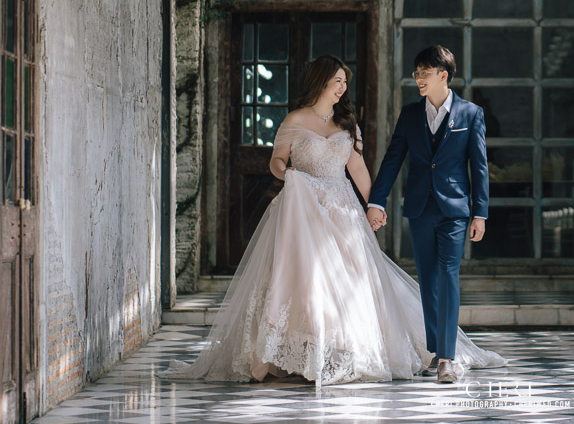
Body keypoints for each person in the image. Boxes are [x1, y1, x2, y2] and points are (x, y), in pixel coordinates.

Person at [164, 55, 504, 385]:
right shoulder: (295, 121)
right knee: (304, 279)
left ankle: (345, 352)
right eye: (337, 81)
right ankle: (298, 354)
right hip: (303, 208)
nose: (342, 88)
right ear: (321, 81)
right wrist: (289, 174)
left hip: (342, 210)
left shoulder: (347, 123)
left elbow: (356, 167)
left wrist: (374, 204)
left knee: (347, 282)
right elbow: (275, 162)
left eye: (344, 82)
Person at [367, 45, 488, 384]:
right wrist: (377, 201)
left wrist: (481, 213)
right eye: (416, 73)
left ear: (443, 75)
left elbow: (479, 168)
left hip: (454, 210)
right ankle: (436, 349)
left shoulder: (470, 114)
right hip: (420, 208)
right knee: (428, 281)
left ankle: (447, 357)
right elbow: (393, 161)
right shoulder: (409, 115)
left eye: (424, 73)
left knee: (448, 275)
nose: (417, 78)